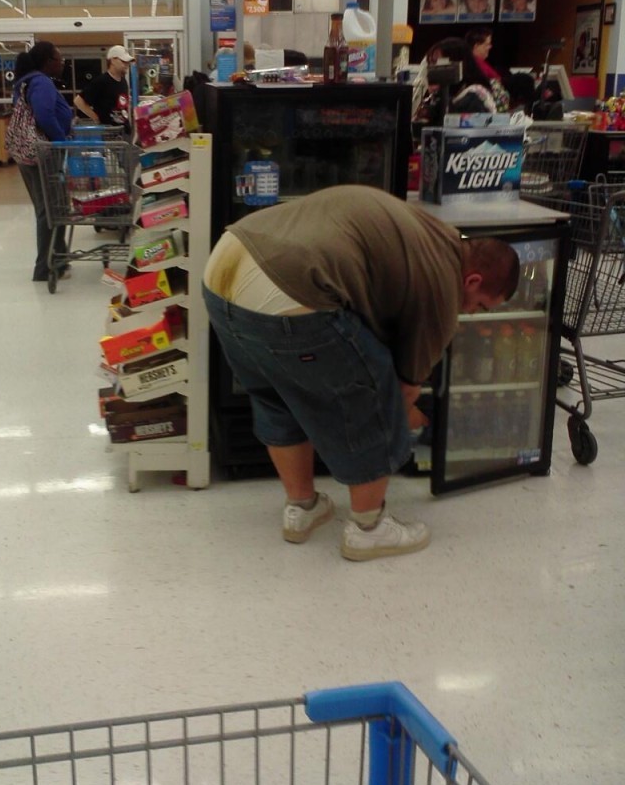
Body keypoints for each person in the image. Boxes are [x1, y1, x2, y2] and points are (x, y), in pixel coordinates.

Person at [202, 186, 519, 562]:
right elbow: (401, 391)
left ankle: (301, 508)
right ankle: (369, 528)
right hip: (289, 285)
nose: (470, 313)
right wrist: (405, 426)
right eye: (480, 306)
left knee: (277, 394)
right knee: (374, 393)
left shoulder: (434, 232)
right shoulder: (444, 290)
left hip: (223, 270)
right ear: (473, 281)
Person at [12, 41, 73, 282]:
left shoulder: (28, 81)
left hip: (31, 154)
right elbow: (44, 115)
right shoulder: (41, 82)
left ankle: (57, 258)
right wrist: (61, 140)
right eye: (59, 59)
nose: (62, 63)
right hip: (44, 154)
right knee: (50, 210)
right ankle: (45, 267)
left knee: (52, 208)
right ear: (48, 61)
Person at [413, 37, 508, 126]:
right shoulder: (451, 95)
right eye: (431, 65)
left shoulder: (474, 97)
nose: (432, 71)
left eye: (437, 64)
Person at [73, 45, 134, 132]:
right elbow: (78, 101)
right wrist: (96, 118)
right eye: (123, 61)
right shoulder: (102, 81)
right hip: (109, 132)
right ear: (113, 60)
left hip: (123, 129)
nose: (126, 65)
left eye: (128, 62)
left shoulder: (123, 81)